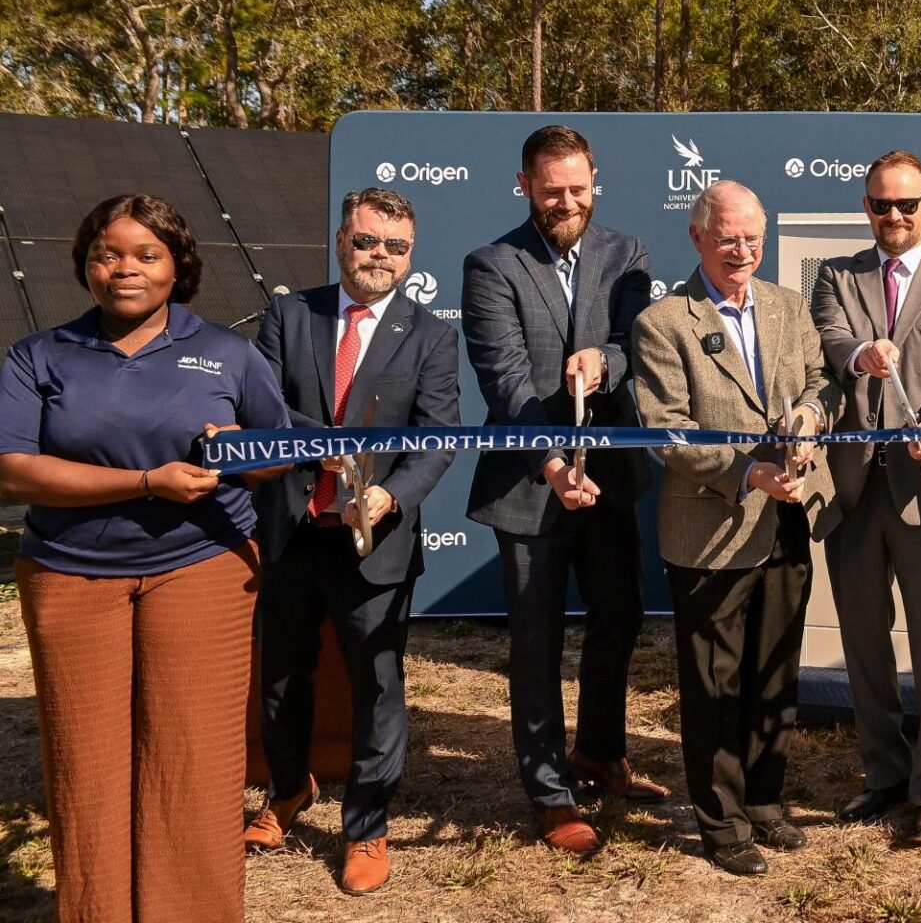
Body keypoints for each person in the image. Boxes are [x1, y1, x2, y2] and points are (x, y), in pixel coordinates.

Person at [0, 194, 288, 923]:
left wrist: (239, 452)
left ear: (177, 266)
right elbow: (12, 471)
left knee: (193, 760)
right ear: (85, 265)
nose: (122, 268)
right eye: (106, 253)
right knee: (85, 764)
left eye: (144, 254)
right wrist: (144, 482)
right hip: (69, 573)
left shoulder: (228, 352)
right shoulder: (39, 355)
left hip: (202, 568)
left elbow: (275, 456)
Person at [245, 188, 461, 894]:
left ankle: (366, 827)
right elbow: (264, 410)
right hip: (293, 528)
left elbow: (437, 437)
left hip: (377, 536)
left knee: (379, 685)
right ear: (342, 242)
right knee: (281, 678)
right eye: (367, 242)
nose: (379, 257)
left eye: (395, 246)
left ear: (410, 254)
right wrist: (333, 448)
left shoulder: (431, 334)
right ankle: (286, 793)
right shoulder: (289, 314)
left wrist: (392, 491)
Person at [463, 125, 665, 858]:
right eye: (552, 191)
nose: (567, 201)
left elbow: (637, 340)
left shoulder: (627, 252)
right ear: (525, 186)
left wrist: (605, 363)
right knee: (537, 641)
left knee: (618, 618)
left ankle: (600, 755)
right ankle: (550, 794)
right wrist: (552, 461)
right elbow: (506, 379)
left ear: (594, 180)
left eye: (578, 188)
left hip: (610, 478)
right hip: (528, 481)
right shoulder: (491, 265)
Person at [631, 180, 840, 877]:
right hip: (711, 530)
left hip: (787, 516)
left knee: (774, 668)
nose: (742, 250)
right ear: (697, 239)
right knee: (714, 683)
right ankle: (720, 822)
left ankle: (766, 798)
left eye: (753, 236)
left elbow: (819, 382)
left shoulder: (786, 304)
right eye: (727, 238)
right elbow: (667, 432)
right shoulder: (664, 322)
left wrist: (811, 422)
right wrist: (748, 473)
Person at [810, 150, 921, 844]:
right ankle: (884, 776)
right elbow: (829, 342)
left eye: (906, 205)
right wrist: (861, 354)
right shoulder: (836, 275)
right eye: (881, 205)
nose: (894, 217)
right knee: (863, 644)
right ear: (865, 207)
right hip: (854, 488)